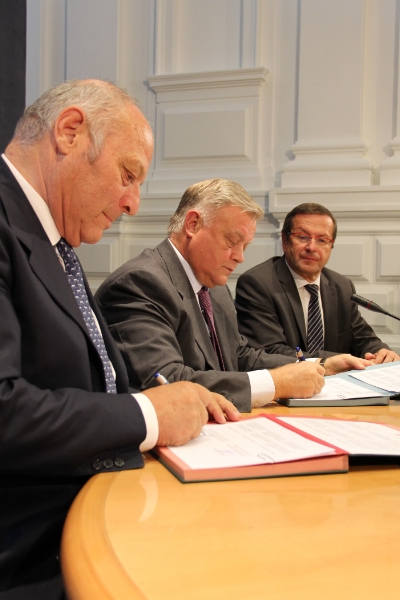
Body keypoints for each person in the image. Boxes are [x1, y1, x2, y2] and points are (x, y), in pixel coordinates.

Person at [0, 80, 239, 599]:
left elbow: (97, 383)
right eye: (128, 175)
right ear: (69, 132)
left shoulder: (55, 243)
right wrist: (149, 414)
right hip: (32, 556)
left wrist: (166, 403)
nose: (132, 204)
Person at [96, 180, 370, 415]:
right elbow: (167, 381)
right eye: (231, 242)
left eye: (245, 246)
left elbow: (240, 355)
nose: (240, 257)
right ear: (193, 224)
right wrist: (275, 383)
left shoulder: (213, 285)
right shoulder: (139, 283)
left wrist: (319, 365)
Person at [235, 202, 400, 362]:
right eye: (303, 237)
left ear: (331, 246)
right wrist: (331, 362)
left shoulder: (342, 286)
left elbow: (363, 339)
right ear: (285, 241)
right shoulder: (258, 284)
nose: (311, 247)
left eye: (322, 240)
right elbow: (270, 351)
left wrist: (380, 351)